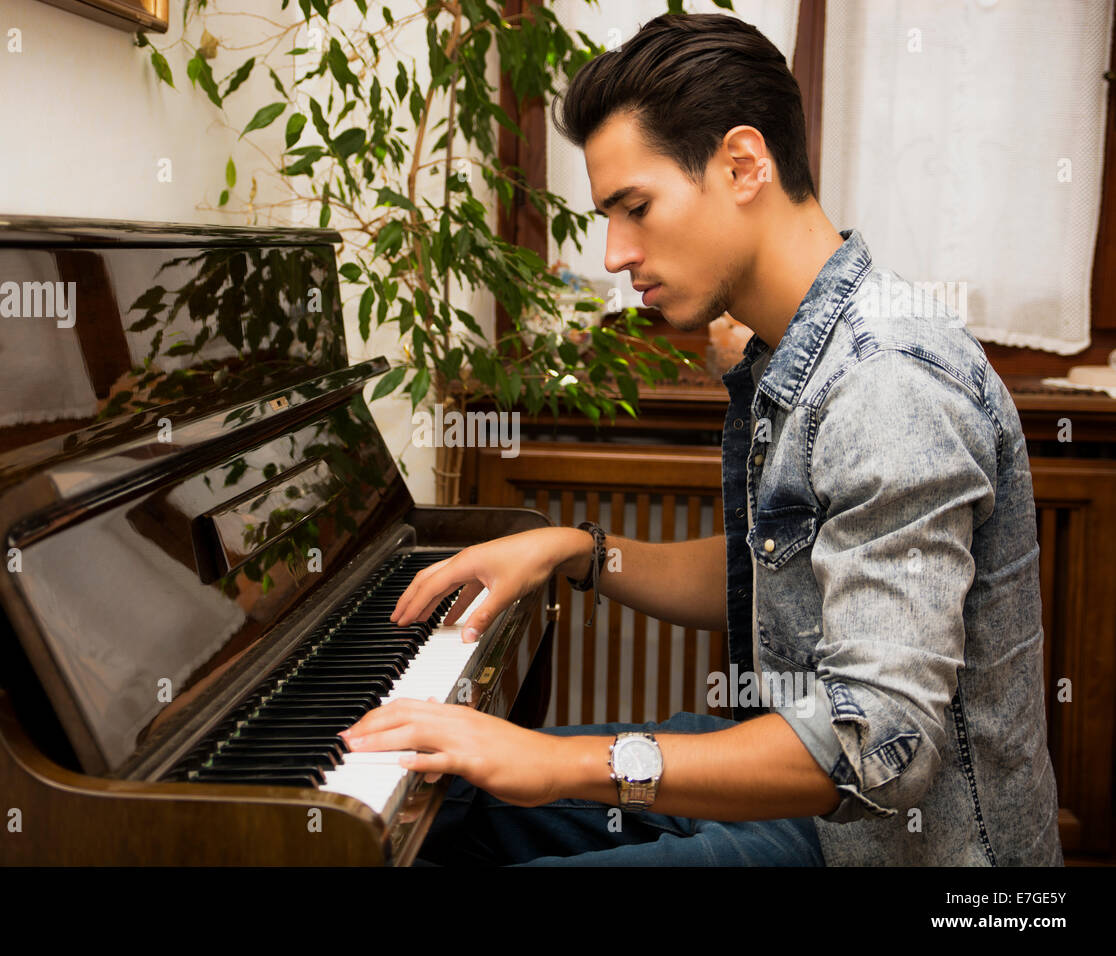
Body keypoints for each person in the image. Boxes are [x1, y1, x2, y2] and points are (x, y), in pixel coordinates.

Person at [340, 12, 1063, 866]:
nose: (613, 253)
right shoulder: (800, 346)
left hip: (896, 854)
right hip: (825, 818)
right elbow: (774, 564)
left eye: (635, 208)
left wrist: (563, 762)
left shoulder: (886, 382)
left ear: (743, 164)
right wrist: (575, 550)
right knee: (453, 803)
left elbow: (881, 742)